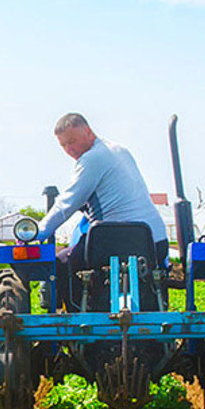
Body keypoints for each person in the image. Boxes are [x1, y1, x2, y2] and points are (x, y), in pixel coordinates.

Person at [36, 113, 168, 309]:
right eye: (63, 146)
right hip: (154, 242)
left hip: (113, 242)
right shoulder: (119, 151)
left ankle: (75, 318)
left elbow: (66, 204)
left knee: (61, 263)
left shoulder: (92, 159)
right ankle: (157, 307)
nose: (69, 149)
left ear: (88, 131)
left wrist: (37, 233)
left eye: (72, 141)